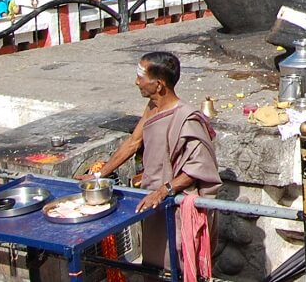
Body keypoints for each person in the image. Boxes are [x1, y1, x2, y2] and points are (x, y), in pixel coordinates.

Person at [88, 50, 221, 269]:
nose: (136, 82)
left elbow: (198, 168)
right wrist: (98, 176)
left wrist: (164, 191)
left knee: (176, 265)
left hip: (175, 202)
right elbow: (133, 142)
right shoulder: (152, 107)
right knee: (153, 264)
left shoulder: (187, 119)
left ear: (158, 85)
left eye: (141, 77)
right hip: (151, 200)